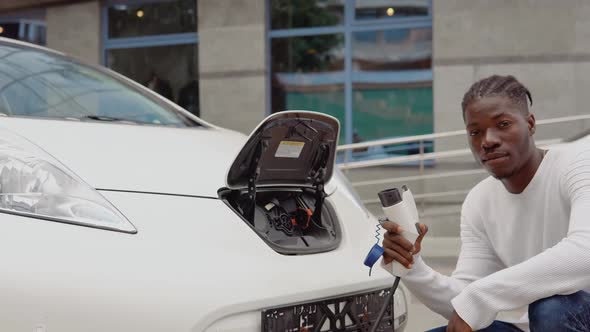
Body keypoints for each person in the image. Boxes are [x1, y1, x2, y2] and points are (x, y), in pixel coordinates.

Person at [380, 75, 590, 331]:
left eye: (502, 124)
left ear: (530, 124)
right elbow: (464, 302)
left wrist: (482, 296)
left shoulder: (578, 163)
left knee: (551, 309)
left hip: (569, 317)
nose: (487, 141)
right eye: (475, 132)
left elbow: (584, 252)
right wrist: (411, 266)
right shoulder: (479, 200)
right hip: (530, 326)